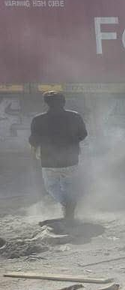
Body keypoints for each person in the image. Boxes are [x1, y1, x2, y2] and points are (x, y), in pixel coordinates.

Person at [28, 91, 87, 222]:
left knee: (51, 186)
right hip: (71, 158)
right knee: (69, 185)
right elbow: (83, 134)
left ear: (46, 103)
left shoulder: (38, 119)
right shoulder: (75, 116)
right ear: (64, 102)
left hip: (49, 160)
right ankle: (69, 207)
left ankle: (66, 204)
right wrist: (71, 141)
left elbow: (33, 141)